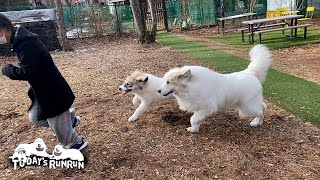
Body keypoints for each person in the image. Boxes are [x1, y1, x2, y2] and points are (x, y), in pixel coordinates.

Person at [0, 14, 87, 150]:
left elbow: (28, 72)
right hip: (43, 90)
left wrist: (8, 69)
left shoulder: (26, 43)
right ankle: (70, 120)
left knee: (58, 125)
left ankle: (76, 144)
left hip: (52, 93)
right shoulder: (19, 40)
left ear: (3, 29)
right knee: (35, 117)